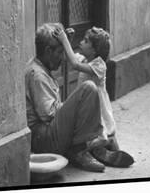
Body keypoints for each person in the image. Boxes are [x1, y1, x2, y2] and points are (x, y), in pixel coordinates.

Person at [25, 23, 108, 172]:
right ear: (48, 51)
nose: (63, 58)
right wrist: (72, 108)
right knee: (88, 89)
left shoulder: (40, 65)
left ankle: (83, 147)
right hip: (43, 140)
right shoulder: (37, 75)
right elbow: (48, 114)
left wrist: (65, 41)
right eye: (59, 52)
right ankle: (79, 151)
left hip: (46, 133)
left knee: (83, 98)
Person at [54, 26, 134, 168]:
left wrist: (64, 40)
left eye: (85, 41)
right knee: (96, 132)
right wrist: (68, 40)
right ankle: (102, 150)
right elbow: (70, 56)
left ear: (94, 50)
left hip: (97, 106)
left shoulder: (99, 65)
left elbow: (74, 63)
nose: (82, 42)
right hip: (88, 104)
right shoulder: (85, 59)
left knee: (102, 132)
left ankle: (99, 149)